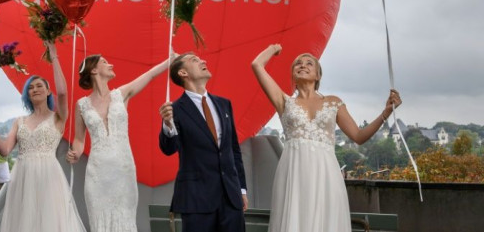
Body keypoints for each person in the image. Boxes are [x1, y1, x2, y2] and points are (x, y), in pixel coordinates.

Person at [251, 44, 402, 232]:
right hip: (293, 173)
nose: (302, 65)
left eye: (309, 63)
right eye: (297, 64)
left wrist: (385, 113)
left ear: (318, 76)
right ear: (292, 75)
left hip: (326, 174)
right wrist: (275, 48)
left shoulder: (333, 102)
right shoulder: (284, 101)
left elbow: (358, 136)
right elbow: (257, 65)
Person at [0, 41, 86, 232]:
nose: (35, 89)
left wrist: (54, 55)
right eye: (30, 87)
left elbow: (63, 93)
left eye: (39, 86)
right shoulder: (19, 121)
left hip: (48, 174)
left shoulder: (58, 117)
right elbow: (4, 151)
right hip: (22, 175)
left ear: (48, 91)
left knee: (49, 221)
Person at [65, 52, 173, 232]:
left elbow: (151, 74)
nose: (111, 65)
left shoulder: (121, 94)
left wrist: (170, 60)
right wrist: (75, 153)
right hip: (97, 175)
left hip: (123, 171)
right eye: (105, 62)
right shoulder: (81, 105)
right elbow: (78, 139)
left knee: (125, 220)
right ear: (93, 70)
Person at [158, 53, 248, 232]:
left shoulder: (224, 104)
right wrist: (168, 125)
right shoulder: (173, 110)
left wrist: (242, 189)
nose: (203, 61)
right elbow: (168, 149)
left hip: (231, 198)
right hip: (196, 199)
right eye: (194, 60)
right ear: (183, 73)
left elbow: (233, 150)